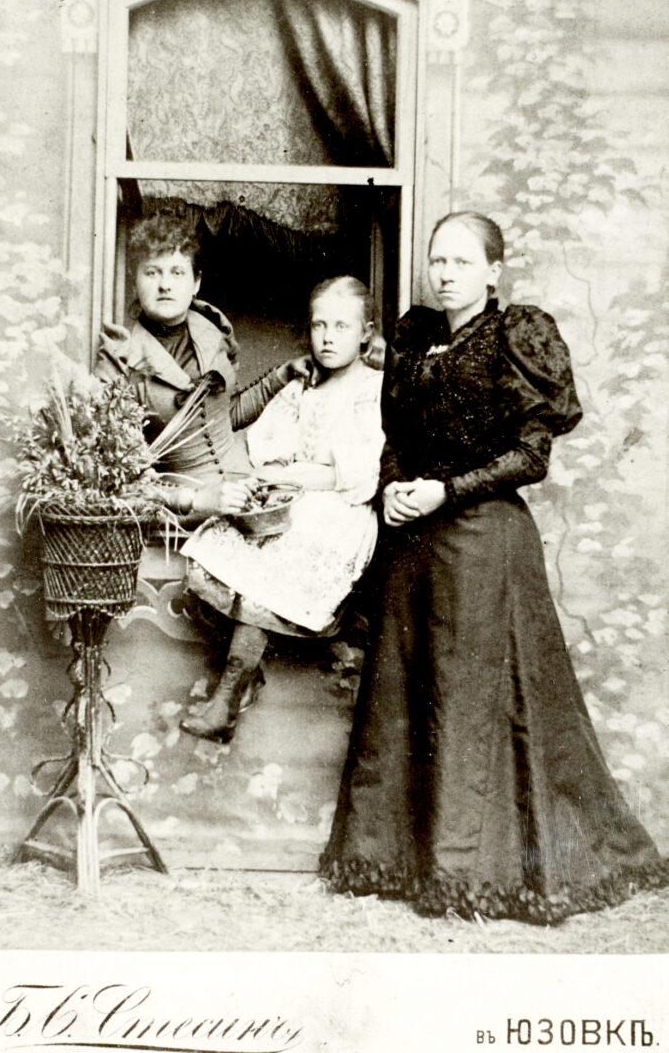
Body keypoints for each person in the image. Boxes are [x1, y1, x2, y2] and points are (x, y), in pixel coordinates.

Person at [320, 212, 669, 924]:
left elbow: (531, 457)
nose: (444, 273)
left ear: (492, 272)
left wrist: (446, 491)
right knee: (404, 690)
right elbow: (397, 437)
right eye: (436, 261)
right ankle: (397, 858)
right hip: (414, 543)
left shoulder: (516, 337)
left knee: (472, 700)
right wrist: (393, 486)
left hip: (484, 540)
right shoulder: (415, 337)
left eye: (460, 262)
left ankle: (468, 868)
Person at [178, 276, 385, 743]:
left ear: (366, 333)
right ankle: (247, 677)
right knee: (206, 553)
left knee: (268, 572)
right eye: (319, 326)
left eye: (342, 327)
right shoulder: (303, 387)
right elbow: (262, 445)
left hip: (338, 517)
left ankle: (227, 695)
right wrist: (279, 474)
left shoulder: (371, 391)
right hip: (289, 501)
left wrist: (292, 474)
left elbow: (352, 475)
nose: (328, 337)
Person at [95, 212, 310, 519]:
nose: (165, 285)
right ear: (135, 281)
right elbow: (116, 475)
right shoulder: (119, 358)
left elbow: (227, 414)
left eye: (177, 273)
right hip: (182, 511)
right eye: (152, 272)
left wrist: (283, 375)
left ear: (196, 282)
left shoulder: (213, 332)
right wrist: (193, 500)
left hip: (247, 491)